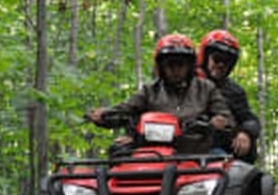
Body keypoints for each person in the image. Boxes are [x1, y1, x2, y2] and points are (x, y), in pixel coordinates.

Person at [87, 33, 233, 144]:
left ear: (189, 66)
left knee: (231, 169)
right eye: (170, 64)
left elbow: (226, 118)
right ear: (161, 67)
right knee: (118, 151)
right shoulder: (150, 90)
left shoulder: (206, 88)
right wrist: (103, 116)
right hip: (152, 151)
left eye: (180, 64)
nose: (175, 69)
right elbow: (127, 109)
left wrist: (218, 122)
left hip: (199, 152)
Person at [196, 30, 261, 163]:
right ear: (205, 57)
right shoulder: (187, 83)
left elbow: (250, 119)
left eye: (226, 61)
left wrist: (246, 133)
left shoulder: (234, 91)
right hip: (188, 147)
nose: (221, 64)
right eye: (217, 58)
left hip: (222, 150)